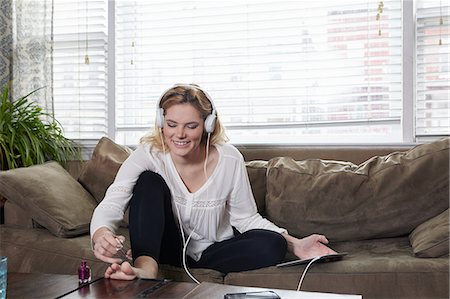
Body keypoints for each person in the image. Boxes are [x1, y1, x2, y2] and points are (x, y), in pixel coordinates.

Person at [90, 83, 336, 281]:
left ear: (208, 125)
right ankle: (146, 269)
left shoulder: (229, 159)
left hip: (213, 252)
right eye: (172, 124)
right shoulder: (148, 154)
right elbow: (113, 202)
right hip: (166, 246)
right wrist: (101, 234)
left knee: (272, 244)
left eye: (191, 126)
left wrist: (295, 244)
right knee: (148, 181)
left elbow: (246, 218)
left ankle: (193, 268)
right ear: (161, 123)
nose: (179, 135)